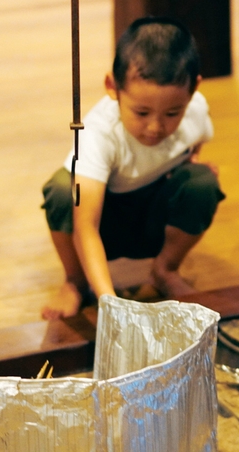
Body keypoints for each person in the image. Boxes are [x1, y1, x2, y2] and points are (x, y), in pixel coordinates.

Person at [40, 17, 225, 320]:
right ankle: (75, 280)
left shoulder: (196, 110)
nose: (155, 127)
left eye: (172, 113)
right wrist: (111, 303)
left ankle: (165, 269)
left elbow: (196, 142)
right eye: (141, 112)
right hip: (103, 222)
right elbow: (85, 227)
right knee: (63, 191)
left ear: (193, 91)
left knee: (202, 182)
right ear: (113, 87)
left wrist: (190, 166)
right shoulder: (98, 133)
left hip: (152, 216)